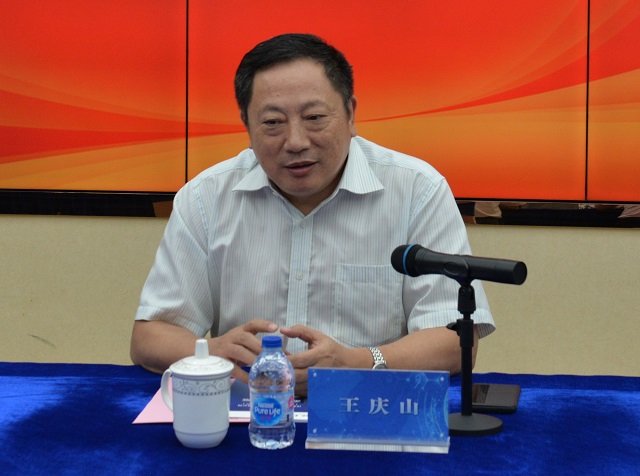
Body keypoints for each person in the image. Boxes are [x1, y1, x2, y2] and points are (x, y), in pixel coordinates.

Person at [130, 33, 495, 396]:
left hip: (368, 411)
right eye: (272, 122)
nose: (296, 141)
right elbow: (149, 337)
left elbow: (454, 341)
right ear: (246, 125)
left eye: (315, 117)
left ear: (351, 114)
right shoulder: (205, 197)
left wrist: (354, 363)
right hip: (250, 411)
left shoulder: (417, 190)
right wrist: (211, 351)